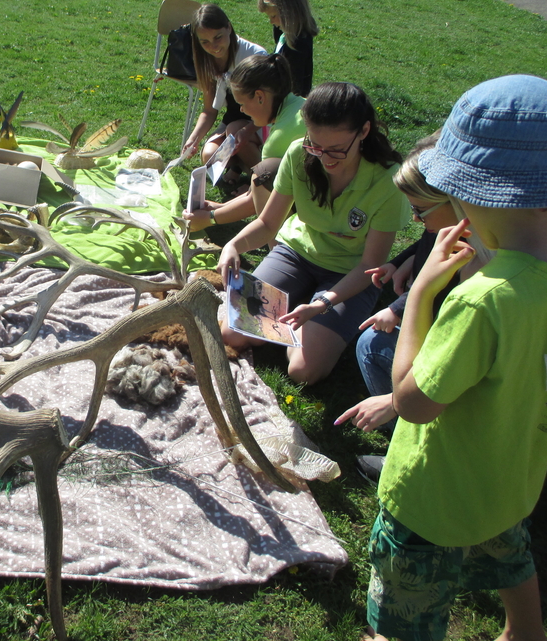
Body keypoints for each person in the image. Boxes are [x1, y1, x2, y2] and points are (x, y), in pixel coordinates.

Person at [367, 75, 547, 641]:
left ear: (469, 193)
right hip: (511, 476)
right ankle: (525, 631)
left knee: (403, 616)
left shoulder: (483, 299)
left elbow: (412, 403)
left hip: (432, 497)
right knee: (507, 549)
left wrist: (419, 295)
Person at [216, 82, 409, 385]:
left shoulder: (388, 179)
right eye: (315, 146)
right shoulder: (298, 154)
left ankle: (303, 310)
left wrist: (323, 305)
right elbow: (268, 224)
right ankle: (296, 308)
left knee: (303, 371)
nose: (325, 158)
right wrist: (233, 245)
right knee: (232, 333)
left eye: (337, 150)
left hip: (349, 273)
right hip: (296, 254)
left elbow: (370, 265)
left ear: (364, 131)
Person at [335, 134, 485, 483]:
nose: (415, 219)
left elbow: (454, 361)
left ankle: (420, 457)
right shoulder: (465, 233)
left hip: (467, 408)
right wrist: (401, 264)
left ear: (455, 199)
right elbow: (427, 240)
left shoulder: (479, 282)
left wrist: (395, 402)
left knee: (372, 345)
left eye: (419, 210)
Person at [183, 53, 305, 233]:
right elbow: (255, 194)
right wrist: (219, 207)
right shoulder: (299, 105)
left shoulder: (279, 138)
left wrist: (210, 218)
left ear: (260, 97)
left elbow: (258, 200)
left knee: (264, 175)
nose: (241, 110)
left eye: (242, 103)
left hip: (314, 217)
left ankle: (279, 245)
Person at [180, 4, 266, 179]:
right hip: (233, 121)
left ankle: (263, 179)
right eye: (205, 42)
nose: (213, 46)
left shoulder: (254, 55)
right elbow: (209, 110)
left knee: (234, 131)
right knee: (208, 156)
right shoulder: (206, 60)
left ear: (229, 27)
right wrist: (193, 139)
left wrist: (247, 130)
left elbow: (268, 110)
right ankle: (240, 167)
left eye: (218, 37)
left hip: (261, 123)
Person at [258, 0, 319, 97]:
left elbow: (294, 88)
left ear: (289, 13)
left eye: (273, 16)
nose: (271, 22)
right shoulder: (283, 32)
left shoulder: (299, 45)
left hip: (289, 103)